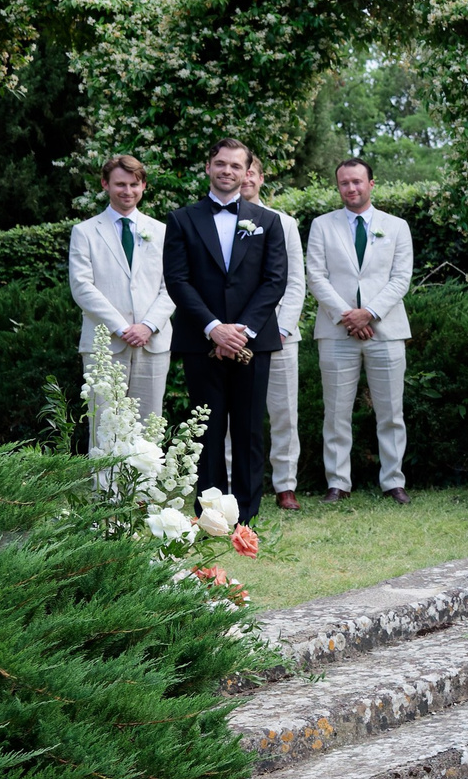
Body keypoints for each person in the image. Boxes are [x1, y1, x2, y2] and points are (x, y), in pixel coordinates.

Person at [162, 137, 289, 524]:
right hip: (202, 342)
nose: (227, 171)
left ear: (247, 172)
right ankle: (211, 518)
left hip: (253, 343)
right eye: (220, 163)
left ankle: (246, 519)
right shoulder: (182, 219)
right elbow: (178, 280)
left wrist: (241, 332)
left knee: (250, 432)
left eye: (236, 166)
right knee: (207, 433)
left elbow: (274, 281)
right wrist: (215, 329)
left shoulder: (268, 221)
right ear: (208, 166)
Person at [307, 158, 417, 504]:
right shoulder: (322, 226)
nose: (350, 188)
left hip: (386, 330)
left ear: (372, 184)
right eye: (344, 183)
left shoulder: (396, 226)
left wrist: (368, 313)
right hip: (337, 331)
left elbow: (401, 278)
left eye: (357, 182)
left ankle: (393, 482)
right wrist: (347, 316)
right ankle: (338, 482)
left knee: (391, 412)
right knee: (336, 411)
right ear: (338, 187)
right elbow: (316, 276)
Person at [67, 153, 173, 453]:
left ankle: (143, 496)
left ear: (143, 186)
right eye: (120, 184)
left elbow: (173, 286)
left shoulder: (162, 231)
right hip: (104, 344)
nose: (127, 191)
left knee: (149, 423)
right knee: (104, 423)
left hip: (152, 343)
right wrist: (123, 327)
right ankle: (104, 495)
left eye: (134, 184)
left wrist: (148, 326)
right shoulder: (85, 232)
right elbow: (82, 287)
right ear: (105, 184)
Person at [239, 158, 307, 510]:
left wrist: (281, 328)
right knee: (231, 415)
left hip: (279, 335)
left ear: (261, 178)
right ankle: (231, 487)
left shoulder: (284, 222)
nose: (245, 177)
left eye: (252, 172)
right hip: (232, 338)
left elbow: (295, 281)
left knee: (283, 413)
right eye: (240, 170)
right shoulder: (219, 222)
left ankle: (285, 485)